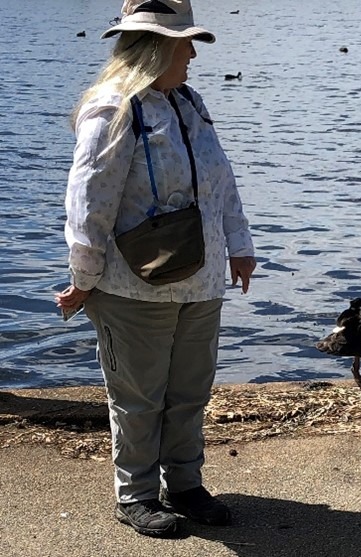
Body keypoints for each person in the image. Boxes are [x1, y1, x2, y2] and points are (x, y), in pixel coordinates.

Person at [55, 0, 256, 538]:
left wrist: (240, 246)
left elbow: (222, 182)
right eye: (183, 42)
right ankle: (137, 494)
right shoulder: (111, 109)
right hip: (131, 287)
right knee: (139, 398)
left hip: (200, 277)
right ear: (155, 49)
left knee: (190, 391)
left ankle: (184, 485)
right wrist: (83, 279)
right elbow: (88, 205)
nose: (192, 52)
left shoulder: (189, 102)